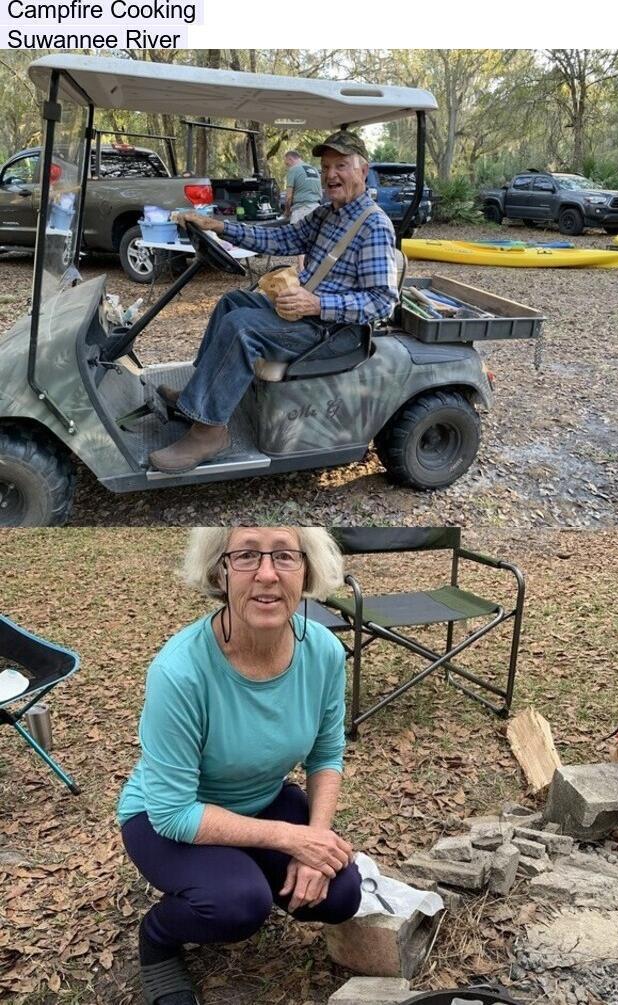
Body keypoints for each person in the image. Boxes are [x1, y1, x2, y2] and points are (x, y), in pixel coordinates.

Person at [118, 527, 358, 1005]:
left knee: (341, 893)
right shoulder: (180, 671)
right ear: (220, 570)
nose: (267, 574)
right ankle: (159, 937)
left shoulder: (325, 652)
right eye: (247, 555)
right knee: (238, 905)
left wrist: (317, 838)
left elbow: (327, 754)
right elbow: (173, 813)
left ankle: (239, 867)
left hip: (260, 800)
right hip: (166, 819)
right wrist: (292, 839)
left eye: (285, 556)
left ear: (305, 570)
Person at [151, 130, 400, 474]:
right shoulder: (327, 214)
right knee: (233, 303)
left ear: (363, 169)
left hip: (335, 331)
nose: (331, 175)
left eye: (341, 165)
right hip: (309, 317)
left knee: (242, 329)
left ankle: (208, 431)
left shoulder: (374, 226)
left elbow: (382, 301)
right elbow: (280, 236)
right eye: (326, 166)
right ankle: (199, 397)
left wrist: (316, 304)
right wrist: (219, 227)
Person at [281, 150, 323, 224]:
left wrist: (286, 213)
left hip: (301, 212)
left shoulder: (293, 169)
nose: (287, 167)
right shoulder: (315, 170)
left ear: (290, 159)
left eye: (287, 164)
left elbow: (288, 197)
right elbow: (320, 192)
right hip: (317, 209)